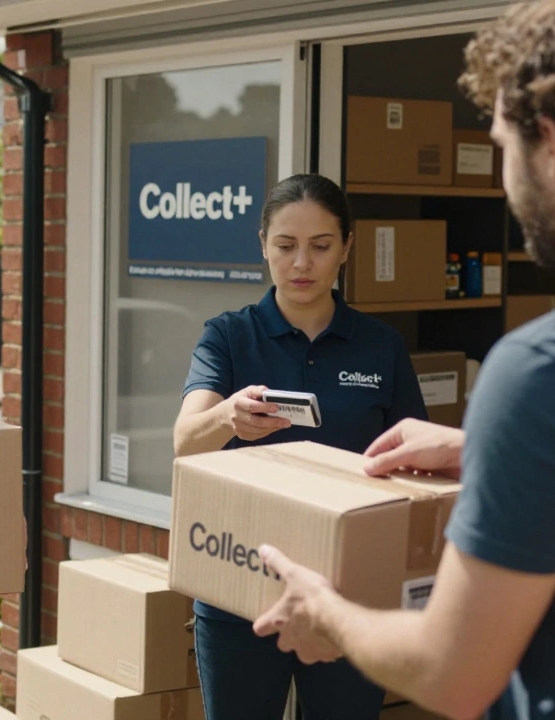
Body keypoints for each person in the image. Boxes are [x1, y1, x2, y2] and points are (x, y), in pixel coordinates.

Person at [251, 2, 555, 719]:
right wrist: (491, 449)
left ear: (553, 145)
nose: (504, 184)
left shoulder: (548, 371)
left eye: (503, 146)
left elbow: (453, 673)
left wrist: (327, 613)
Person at [172, 173, 428, 720]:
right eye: (286, 246)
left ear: (347, 248)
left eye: (320, 246)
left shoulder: (381, 347)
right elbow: (184, 443)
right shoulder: (227, 336)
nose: (301, 263)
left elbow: (418, 465)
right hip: (239, 584)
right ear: (262, 243)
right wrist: (227, 416)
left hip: (350, 594)